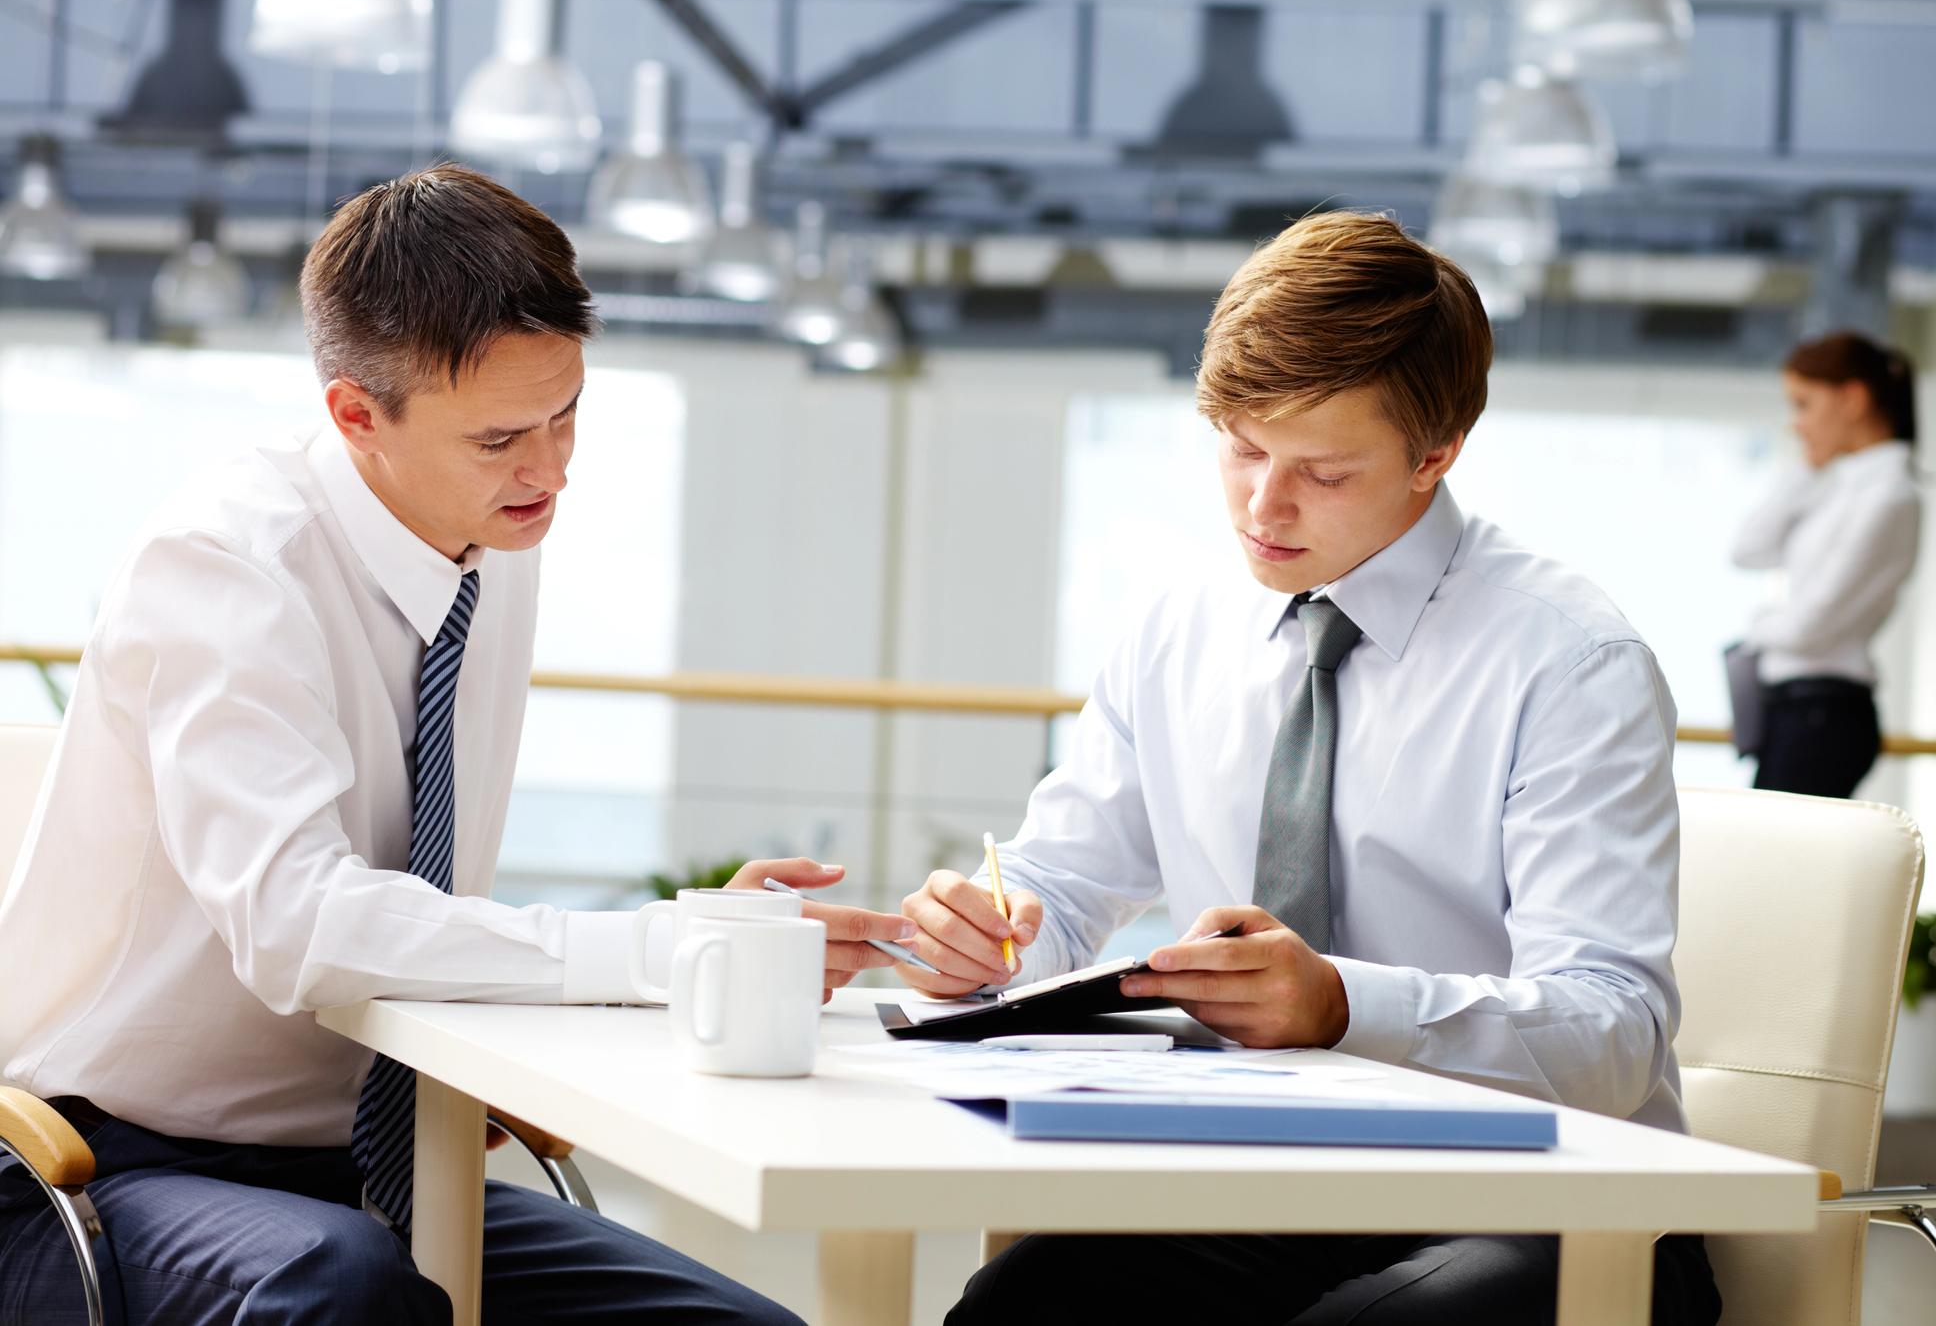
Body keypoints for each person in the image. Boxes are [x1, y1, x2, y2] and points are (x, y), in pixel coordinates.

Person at [0, 164, 911, 1323]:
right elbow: (301, 928)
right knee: (345, 1290)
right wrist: (649, 955)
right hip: (101, 1166)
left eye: (567, 410)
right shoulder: (227, 563)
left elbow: (414, 902)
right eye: (498, 437)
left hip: (374, 1165)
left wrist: (711, 944)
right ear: (354, 415)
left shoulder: (493, 540)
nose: (550, 468)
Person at [897, 213, 1721, 1326]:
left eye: (1321, 471)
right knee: (1017, 1314)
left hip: (1549, 1197)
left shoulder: (1568, 662)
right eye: (1239, 446)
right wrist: (988, 935)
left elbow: (1612, 1030)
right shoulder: (1177, 627)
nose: (1260, 506)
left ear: (1435, 456)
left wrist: (1339, 1002)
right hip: (1263, 1176)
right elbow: (1065, 881)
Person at [1731, 331, 1922, 799]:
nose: (1796, 424)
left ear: (1853, 398)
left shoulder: (1889, 496)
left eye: (1804, 404)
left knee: (1772, 867)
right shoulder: (1842, 486)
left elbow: (1807, 628)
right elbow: (1747, 549)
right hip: (1799, 711)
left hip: (1823, 713)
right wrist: (1805, 470)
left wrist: (1758, 623)